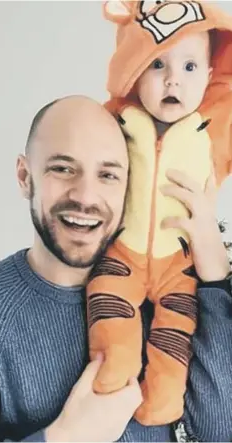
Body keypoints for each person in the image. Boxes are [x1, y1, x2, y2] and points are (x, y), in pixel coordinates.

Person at [0, 95, 232, 442]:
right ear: (24, 176)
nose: (86, 196)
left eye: (108, 175)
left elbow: (219, 431)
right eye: (63, 168)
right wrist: (67, 436)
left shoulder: (166, 297)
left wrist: (214, 274)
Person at [86, 0, 232, 426]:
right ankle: (112, 386)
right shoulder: (117, 120)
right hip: (121, 257)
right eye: (157, 65)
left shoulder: (215, 128)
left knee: (175, 338)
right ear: (136, 69)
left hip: (179, 268)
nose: (173, 80)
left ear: (208, 76)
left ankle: (162, 402)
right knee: (111, 336)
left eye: (189, 68)